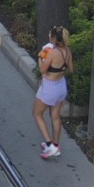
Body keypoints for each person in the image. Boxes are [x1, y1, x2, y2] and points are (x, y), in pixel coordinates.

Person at [32, 25, 74, 160]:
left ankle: (49, 145)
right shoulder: (67, 51)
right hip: (61, 86)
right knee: (55, 116)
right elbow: (71, 70)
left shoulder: (52, 53)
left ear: (54, 38)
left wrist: (40, 57)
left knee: (37, 114)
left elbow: (42, 70)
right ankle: (56, 145)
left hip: (49, 88)